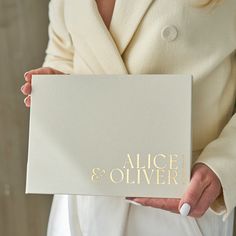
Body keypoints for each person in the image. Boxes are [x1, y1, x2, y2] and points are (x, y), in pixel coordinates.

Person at [20, 0, 236, 235]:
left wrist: (224, 163)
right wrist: (57, 83)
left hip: (182, 189)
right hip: (85, 184)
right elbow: (64, 51)